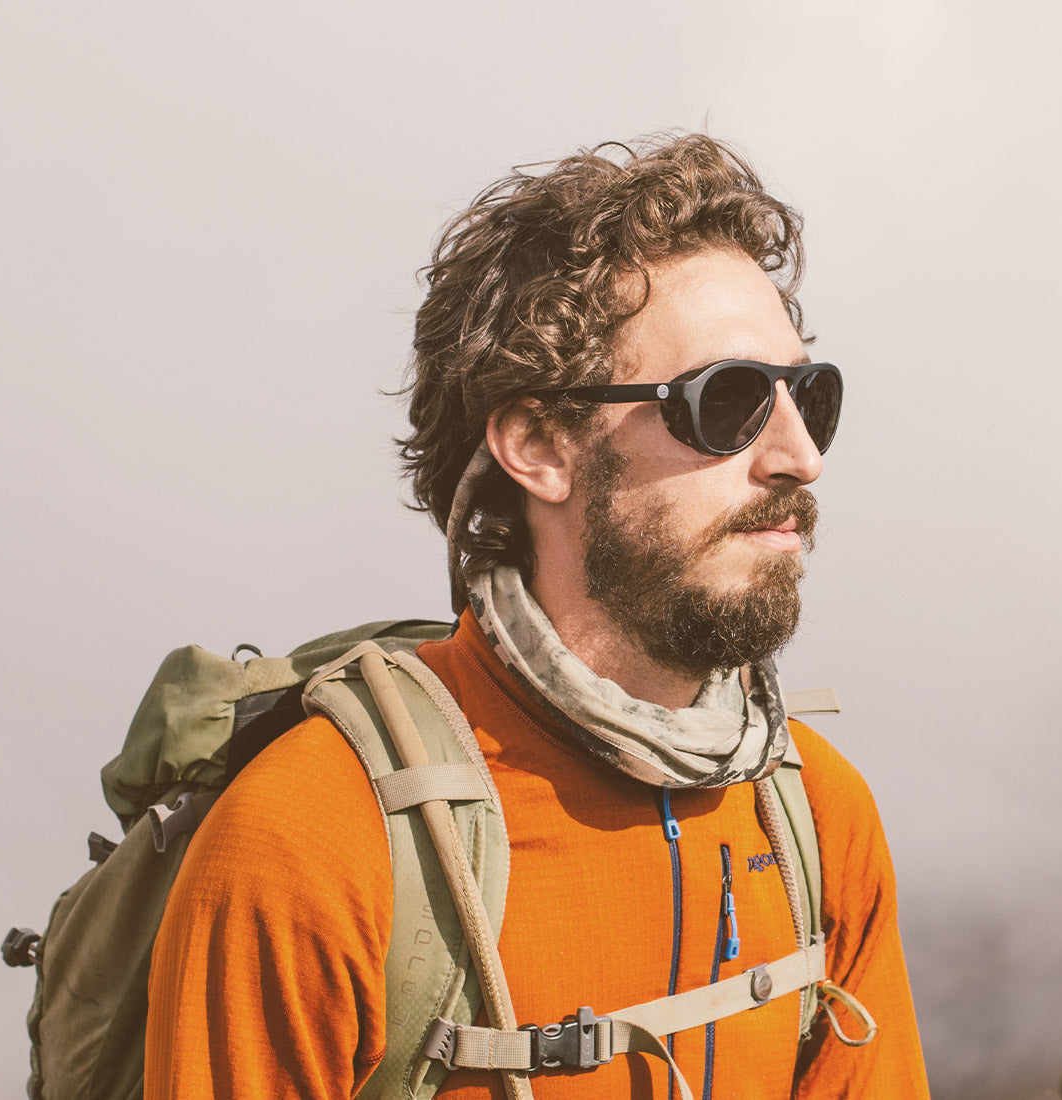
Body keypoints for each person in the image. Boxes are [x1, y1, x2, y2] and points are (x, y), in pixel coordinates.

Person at [145, 133, 930, 1099]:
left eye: (810, 394)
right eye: (725, 400)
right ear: (541, 445)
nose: (800, 456)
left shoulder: (817, 814)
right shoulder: (311, 841)